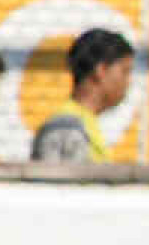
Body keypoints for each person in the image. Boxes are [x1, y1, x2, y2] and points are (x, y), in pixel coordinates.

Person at [32, 27, 134, 162]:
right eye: (124, 71)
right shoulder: (66, 128)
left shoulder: (85, 124)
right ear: (101, 70)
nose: (128, 82)